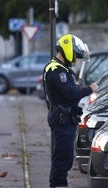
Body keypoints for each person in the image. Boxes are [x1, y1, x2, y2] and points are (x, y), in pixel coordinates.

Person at [44, 34, 98, 188]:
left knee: (65, 156)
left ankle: (59, 184)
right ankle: (58, 184)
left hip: (65, 118)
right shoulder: (57, 70)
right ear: (68, 51)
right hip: (62, 118)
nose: (77, 60)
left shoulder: (61, 68)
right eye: (77, 56)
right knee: (62, 157)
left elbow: (70, 93)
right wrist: (90, 89)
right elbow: (70, 94)